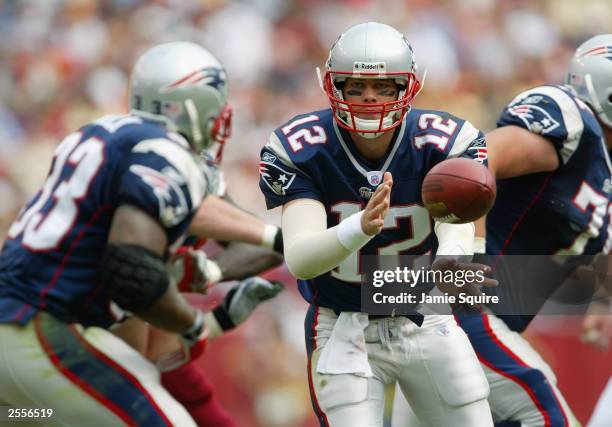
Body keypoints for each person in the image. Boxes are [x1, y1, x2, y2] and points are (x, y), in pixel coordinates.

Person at [0, 41, 280, 426]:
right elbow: (133, 273)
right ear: (195, 108)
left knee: (38, 417)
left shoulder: (109, 137)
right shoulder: (163, 158)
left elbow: (140, 340)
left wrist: (218, 271)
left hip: (26, 354)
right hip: (43, 336)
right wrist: (203, 324)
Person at [258, 22, 497, 427]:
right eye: (355, 86)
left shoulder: (443, 140)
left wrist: (454, 258)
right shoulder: (303, 147)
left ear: (407, 88)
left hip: (425, 313)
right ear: (334, 86)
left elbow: (455, 219)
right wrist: (360, 229)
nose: (370, 97)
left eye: (385, 86)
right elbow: (300, 259)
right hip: (341, 321)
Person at [453, 34, 612, 427]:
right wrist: (468, 257)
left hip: (487, 322)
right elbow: (473, 164)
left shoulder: (602, 168)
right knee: (547, 411)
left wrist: (603, 300)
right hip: (454, 305)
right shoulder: (576, 121)